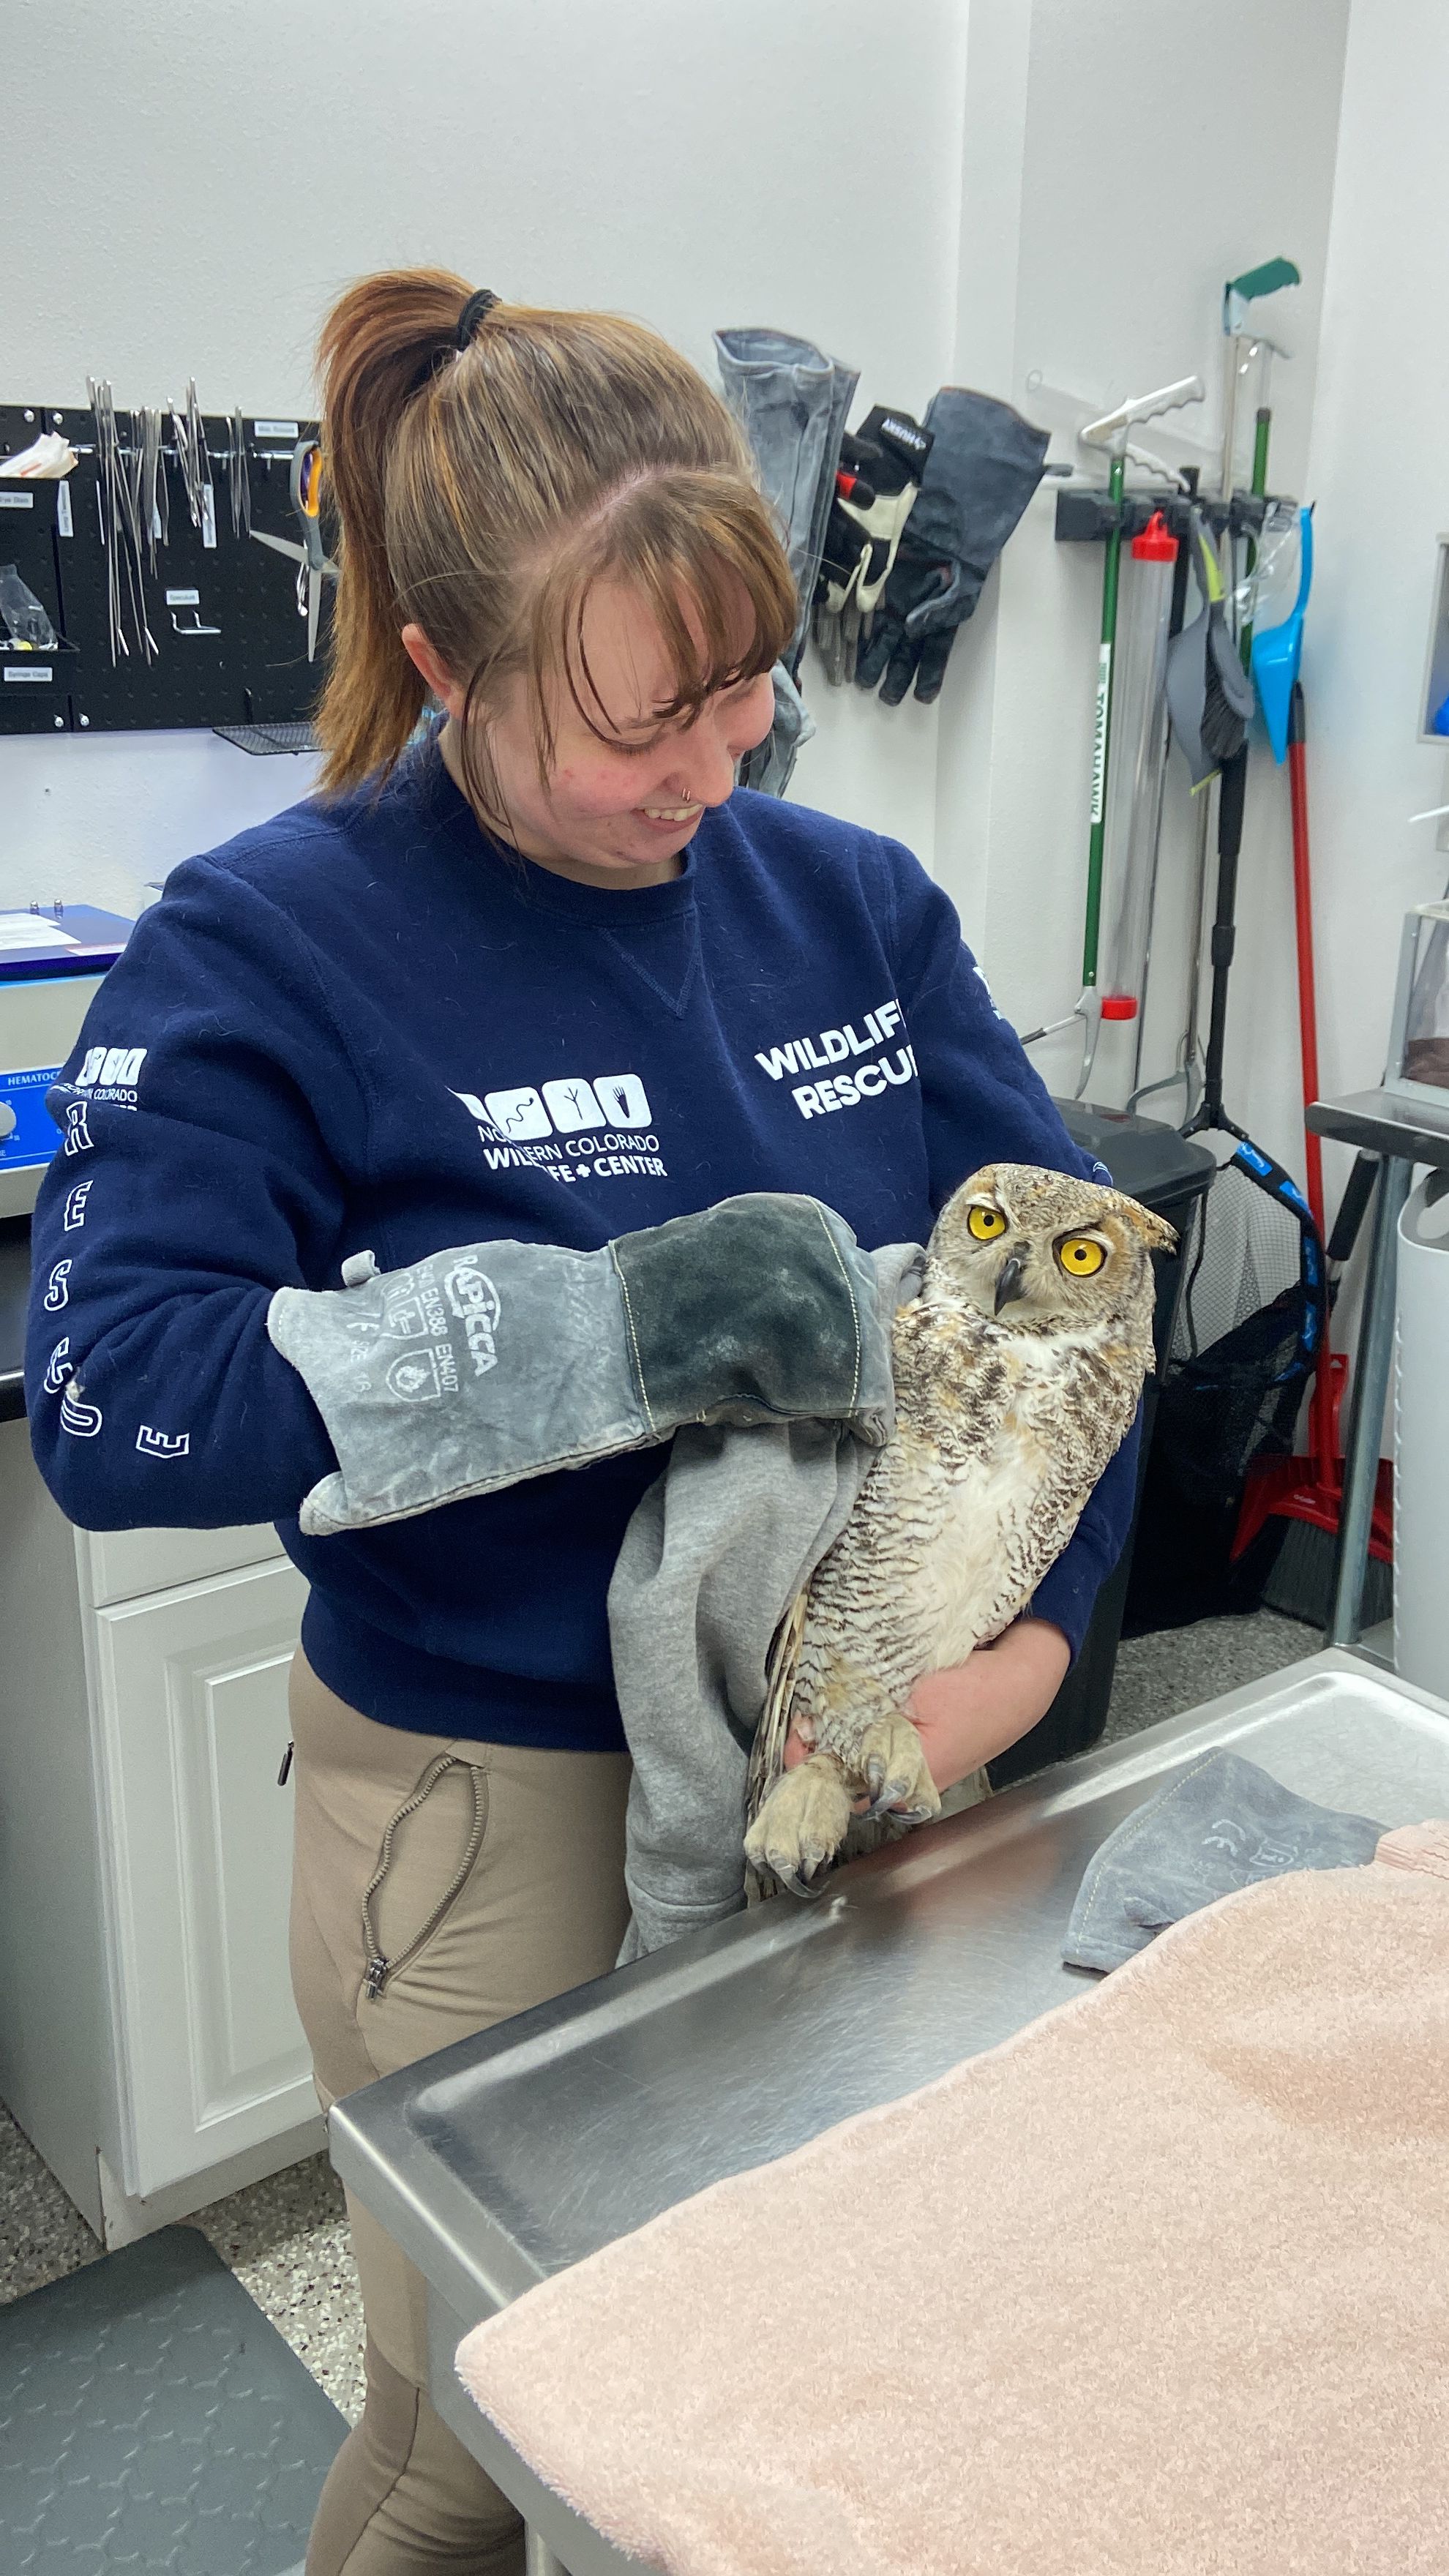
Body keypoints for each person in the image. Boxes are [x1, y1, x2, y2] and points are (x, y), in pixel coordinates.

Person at [26, 268, 1139, 2575]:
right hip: (497, 1800)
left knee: (768, 2388)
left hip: (863, 1748)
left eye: (747, 695)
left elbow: (1074, 1325)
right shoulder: (268, 940)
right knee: (491, 2445)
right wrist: (605, 1338)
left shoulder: (845, 899)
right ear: (446, 666)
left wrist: (1023, 1678)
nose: (713, 773)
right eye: (646, 723)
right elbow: (115, 1408)